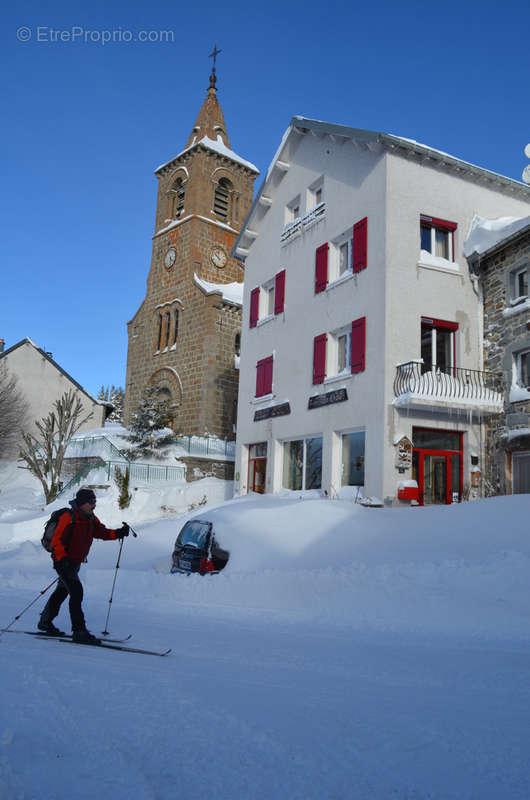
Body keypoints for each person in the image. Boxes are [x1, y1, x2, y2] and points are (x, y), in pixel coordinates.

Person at [38, 488, 129, 645]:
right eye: (91, 502)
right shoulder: (69, 517)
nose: (94, 505)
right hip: (63, 562)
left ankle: (45, 622)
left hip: (75, 562)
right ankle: (79, 631)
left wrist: (119, 533)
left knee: (62, 591)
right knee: (76, 592)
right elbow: (56, 540)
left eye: (95, 501)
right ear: (81, 503)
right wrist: (62, 560)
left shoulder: (91, 518)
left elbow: (102, 532)